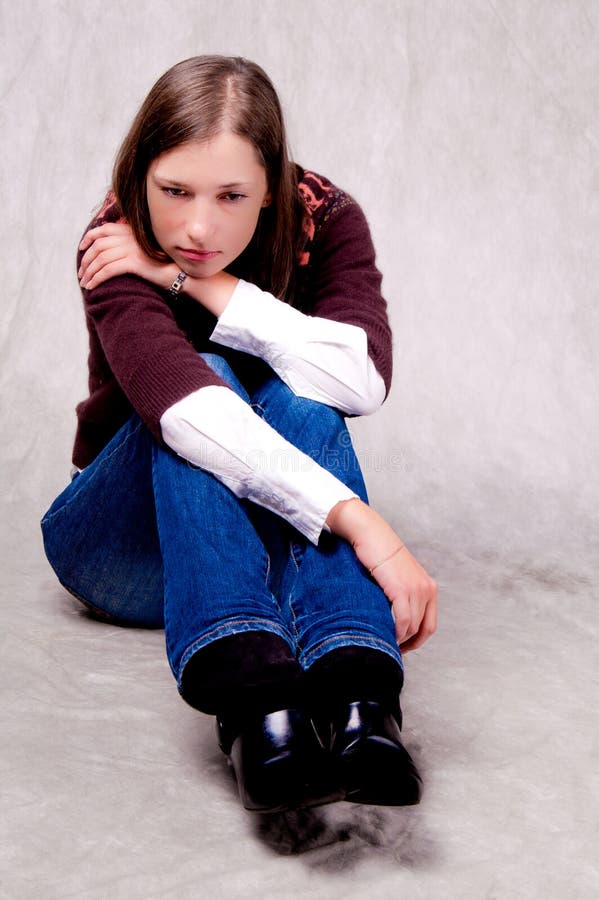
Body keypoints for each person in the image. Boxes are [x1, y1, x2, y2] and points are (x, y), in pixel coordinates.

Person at [41, 55, 438, 814]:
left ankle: (358, 698)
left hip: (254, 546)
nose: (197, 226)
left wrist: (198, 284)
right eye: (174, 192)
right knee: (206, 385)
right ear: (140, 175)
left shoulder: (324, 218)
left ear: (271, 190)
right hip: (119, 547)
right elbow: (192, 418)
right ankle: (256, 707)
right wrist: (363, 525)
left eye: (232, 196)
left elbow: (358, 380)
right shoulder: (114, 240)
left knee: (309, 398)